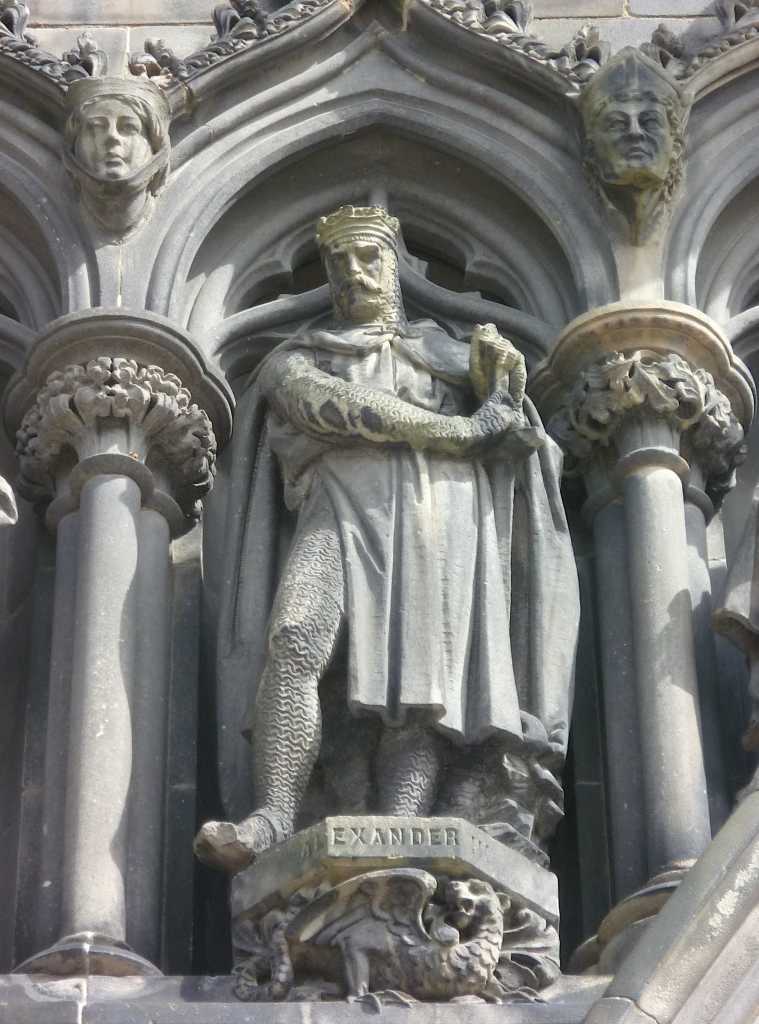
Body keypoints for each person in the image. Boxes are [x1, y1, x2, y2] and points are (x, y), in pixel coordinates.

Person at [195, 205, 579, 872]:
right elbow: (335, 407)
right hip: (340, 506)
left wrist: (503, 383)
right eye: (339, 262)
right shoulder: (297, 359)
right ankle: (276, 813)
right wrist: (459, 429)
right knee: (294, 640)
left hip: (441, 517)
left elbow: (519, 441)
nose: (354, 272)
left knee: (422, 683)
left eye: (368, 257)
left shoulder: (449, 356)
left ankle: (405, 825)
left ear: (396, 265)